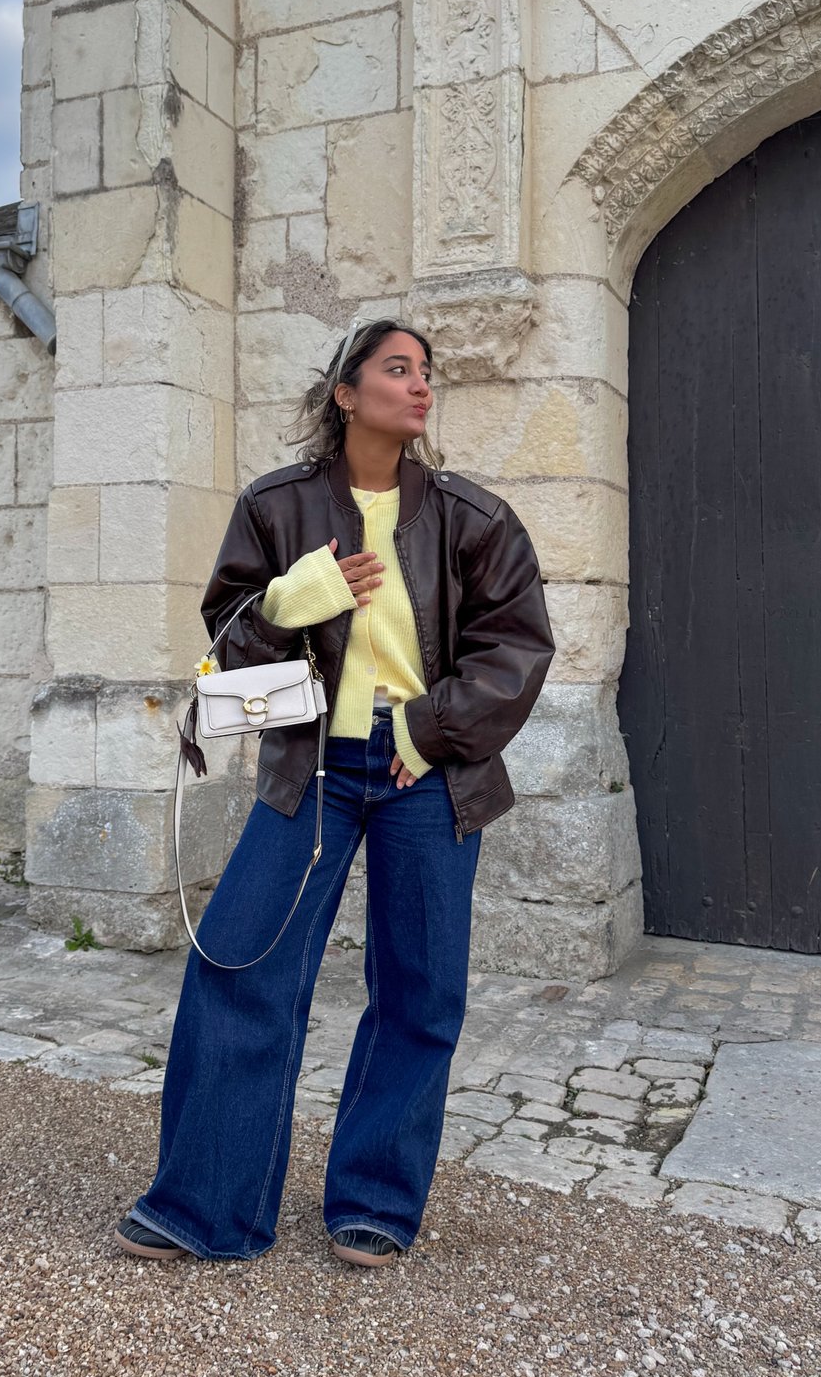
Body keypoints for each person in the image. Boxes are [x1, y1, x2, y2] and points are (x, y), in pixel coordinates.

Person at [114, 318, 555, 1268]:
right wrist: (291, 598)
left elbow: (517, 649)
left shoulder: (476, 519)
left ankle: (376, 1200)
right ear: (346, 393)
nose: (420, 385)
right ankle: (205, 1205)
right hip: (308, 768)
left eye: (427, 373)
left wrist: (428, 731)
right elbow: (226, 638)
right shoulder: (276, 507)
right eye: (398, 369)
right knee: (240, 964)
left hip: (426, 777)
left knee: (419, 992)